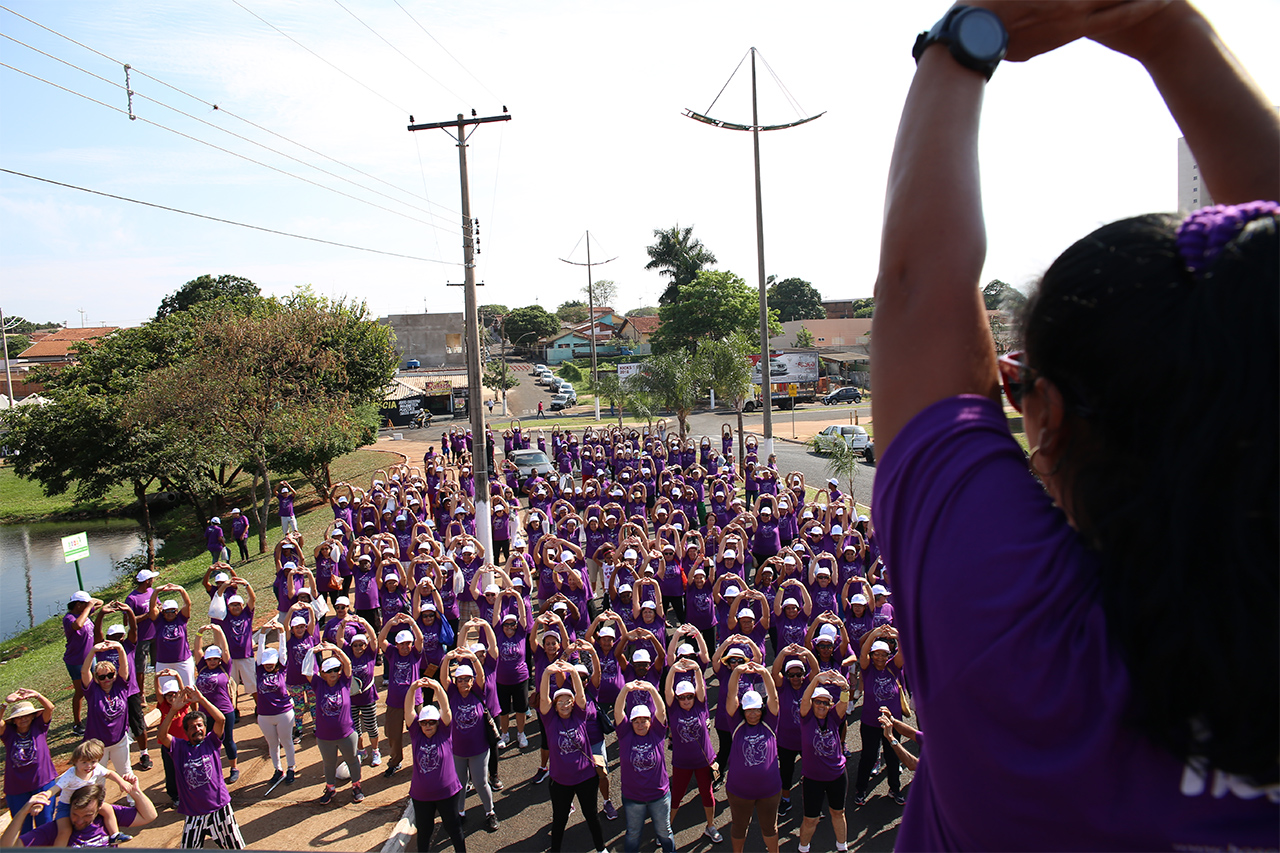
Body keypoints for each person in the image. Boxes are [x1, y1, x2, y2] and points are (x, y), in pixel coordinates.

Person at [873, 2, 1278, 848]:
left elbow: (920, 294)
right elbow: (924, 293)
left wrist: (965, 40)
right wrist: (1168, 26)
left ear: (1047, 415)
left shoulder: (1024, 653)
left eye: (1015, 389)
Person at [156, 684, 245, 849]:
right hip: (193, 813)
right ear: (186, 732)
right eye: (191, 727)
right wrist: (173, 711)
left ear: (205, 728)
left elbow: (221, 719)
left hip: (220, 809)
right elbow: (161, 735)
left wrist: (201, 699)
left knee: (235, 849)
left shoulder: (211, 742)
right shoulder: (179, 748)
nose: (196, 729)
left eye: (199, 725)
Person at [540, 660, 607, 853]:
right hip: (560, 781)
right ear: (555, 705)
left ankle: (601, 849)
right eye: (559, 702)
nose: (564, 705)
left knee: (591, 815)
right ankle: (556, 850)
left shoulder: (579, 715)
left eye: (567, 701)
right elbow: (543, 698)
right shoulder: (550, 719)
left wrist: (572, 671)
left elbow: (580, 695)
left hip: (586, 777)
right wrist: (546, 673)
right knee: (559, 818)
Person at [724, 664, 782, 853]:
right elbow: (730, 696)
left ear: (762, 708)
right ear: (743, 710)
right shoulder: (736, 724)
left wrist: (764, 673)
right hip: (740, 792)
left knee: (770, 827)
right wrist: (737, 672)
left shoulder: (770, 723)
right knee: (739, 827)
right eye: (749, 710)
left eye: (756, 709)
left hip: (769, 791)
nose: (753, 713)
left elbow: (773, 697)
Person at [404, 677, 465, 852]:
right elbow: (408, 710)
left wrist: (437, 687)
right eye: (424, 722)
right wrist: (413, 688)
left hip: (447, 793)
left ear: (438, 722)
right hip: (421, 796)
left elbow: (445, 708)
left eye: (432, 722)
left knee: (454, 828)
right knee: (424, 832)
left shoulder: (445, 732)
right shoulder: (416, 734)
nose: (428, 725)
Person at [614, 681, 675, 853]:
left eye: (644, 721)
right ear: (631, 723)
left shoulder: (657, 733)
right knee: (633, 833)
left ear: (650, 721)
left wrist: (651, 689)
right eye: (636, 722)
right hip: (633, 797)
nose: (640, 725)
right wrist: (625, 689)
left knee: (664, 831)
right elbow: (618, 711)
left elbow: (661, 711)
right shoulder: (625, 735)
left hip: (659, 795)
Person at [3, 781, 157, 848]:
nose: (79, 820)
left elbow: (149, 816)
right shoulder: (56, 829)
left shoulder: (107, 816)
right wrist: (23, 813)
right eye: (75, 814)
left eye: (87, 815)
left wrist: (136, 793)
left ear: (98, 810)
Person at [797, 672, 851, 853]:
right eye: (818, 702)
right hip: (813, 779)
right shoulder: (806, 719)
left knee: (838, 813)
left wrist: (844, 687)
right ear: (812, 704)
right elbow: (804, 699)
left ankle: (842, 847)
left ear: (829, 705)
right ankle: (803, 849)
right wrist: (816, 680)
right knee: (810, 819)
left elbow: (844, 702)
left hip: (837, 776)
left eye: (825, 702)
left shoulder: (834, 717)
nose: (821, 705)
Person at [311, 643, 363, 805]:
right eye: (329, 671)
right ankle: (330, 788)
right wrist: (311, 652)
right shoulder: (318, 685)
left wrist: (336, 649)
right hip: (325, 737)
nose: (333, 673)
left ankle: (356, 786)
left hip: (346, 734)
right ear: (322, 673)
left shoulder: (345, 682)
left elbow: (348, 664)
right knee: (329, 764)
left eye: (335, 670)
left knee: (352, 760)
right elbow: (306, 671)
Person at [1, 690, 57, 834]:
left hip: (42, 783)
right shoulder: (8, 734)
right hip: (17, 789)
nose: (23, 719)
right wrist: (5, 703)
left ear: (32, 716)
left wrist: (36, 695)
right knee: (23, 829)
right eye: (19, 717)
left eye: (27, 715)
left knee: (45, 825)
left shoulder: (39, 726)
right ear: (13, 720)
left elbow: (50, 708)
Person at [62, 591, 100, 737]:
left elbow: (100, 602)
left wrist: (89, 603)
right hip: (76, 661)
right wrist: (87, 608)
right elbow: (78, 625)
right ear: (78, 605)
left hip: (91, 657)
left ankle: (95, 715)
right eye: (85, 604)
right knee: (81, 692)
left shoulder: (84, 611)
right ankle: (77, 723)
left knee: (94, 687)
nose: (89, 607)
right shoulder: (69, 618)